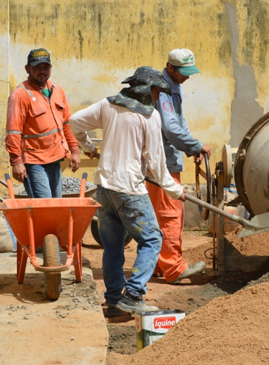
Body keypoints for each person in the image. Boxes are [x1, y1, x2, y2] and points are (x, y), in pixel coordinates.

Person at [69, 66, 186, 314]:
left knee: (113, 246)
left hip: (104, 187)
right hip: (129, 189)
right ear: (147, 89)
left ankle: (113, 300)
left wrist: (88, 147)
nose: (158, 97)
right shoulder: (149, 117)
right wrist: (175, 191)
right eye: (157, 91)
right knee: (152, 239)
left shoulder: (107, 105)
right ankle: (133, 294)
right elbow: (155, 162)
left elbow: (74, 122)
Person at [146, 48, 212, 284]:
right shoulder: (164, 90)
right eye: (183, 72)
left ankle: (155, 264)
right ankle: (173, 268)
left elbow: (178, 126)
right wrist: (195, 146)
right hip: (162, 164)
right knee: (169, 213)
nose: (187, 76)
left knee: (155, 215)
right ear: (170, 68)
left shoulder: (172, 87)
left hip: (160, 161)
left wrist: (190, 148)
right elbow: (171, 129)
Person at [5, 48, 81, 198]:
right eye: (37, 68)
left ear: (50, 68)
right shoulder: (20, 95)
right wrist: (16, 162)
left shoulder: (57, 90)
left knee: (56, 205)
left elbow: (66, 123)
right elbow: (13, 132)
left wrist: (74, 150)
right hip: (34, 162)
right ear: (27, 69)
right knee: (44, 207)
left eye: (45, 67)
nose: (42, 71)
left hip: (55, 159)